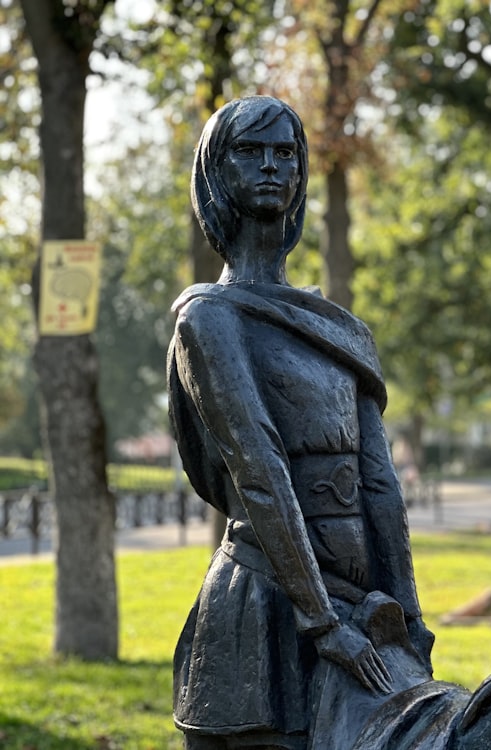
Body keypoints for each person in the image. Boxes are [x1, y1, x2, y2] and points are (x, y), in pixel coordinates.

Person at [167, 96, 434, 750]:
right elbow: (258, 472)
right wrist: (321, 625)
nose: (270, 167)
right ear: (216, 172)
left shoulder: (336, 327)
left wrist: (410, 614)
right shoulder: (210, 318)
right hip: (263, 613)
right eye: (250, 152)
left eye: (285, 153)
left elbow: (380, 483)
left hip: (359, 609)